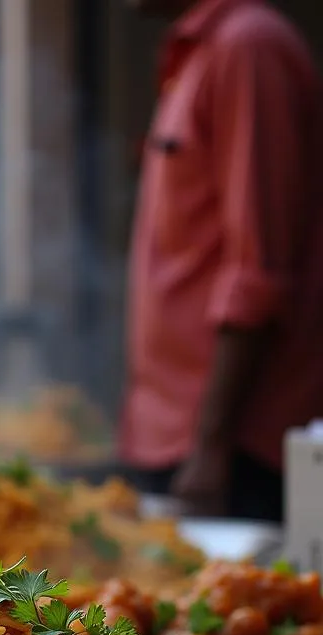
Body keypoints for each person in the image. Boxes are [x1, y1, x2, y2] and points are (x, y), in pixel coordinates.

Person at [119, 0, 323, 521]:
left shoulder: (248, 46)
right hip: (181, 437)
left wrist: (211, 445)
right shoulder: (200, 53)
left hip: (233, 450)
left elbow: (258, 270)